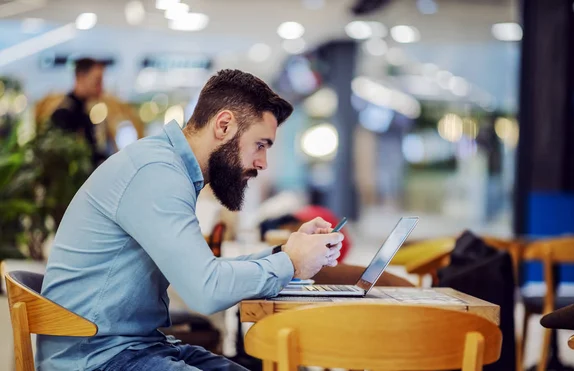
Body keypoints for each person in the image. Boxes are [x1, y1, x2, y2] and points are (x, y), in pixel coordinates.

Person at [37, 69, 344, 371]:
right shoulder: (157, 173)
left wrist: (285, 253)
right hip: (95, 358)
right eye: (260, 145)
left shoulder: (166, 167)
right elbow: (205, 290)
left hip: (132, 346)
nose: (262, 163)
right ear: (223, 125)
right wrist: (291, 263)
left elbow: (205, 273)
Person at [50, 57, 106, 167]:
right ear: (80, 77)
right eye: (97, 81)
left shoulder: (84, 111)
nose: (101, 87)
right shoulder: (65, 114)